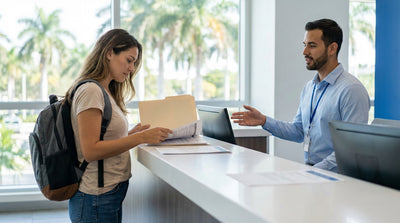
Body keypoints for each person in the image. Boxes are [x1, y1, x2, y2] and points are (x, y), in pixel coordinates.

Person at [231, 19, 370, 172]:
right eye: (305, 45)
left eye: (312, 46)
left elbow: (349, 149)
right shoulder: (309, 88)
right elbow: (299, 132)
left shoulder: (351, 90)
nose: (305, 52)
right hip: (315, 173)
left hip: (338, 179)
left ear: (332, 49)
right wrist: (264, 121)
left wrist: (313, 173)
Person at [65, 29, 172, 223]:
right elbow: (90, 150)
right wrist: (139, 138)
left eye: (134, 63)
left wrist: (132, 133)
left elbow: (103, 138)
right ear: (109, 53)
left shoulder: (105, 91)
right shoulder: (91, 91)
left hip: (108, 193)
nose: (132, 68)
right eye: (129, 60)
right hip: (95, 197)